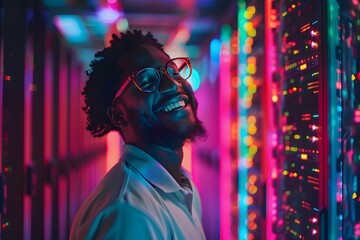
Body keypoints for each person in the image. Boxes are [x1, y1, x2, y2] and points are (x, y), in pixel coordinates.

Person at [69, 30, 207, 239]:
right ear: (118, 115)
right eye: (146, 81)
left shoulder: (183, 187)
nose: (172, 84)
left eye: (172, 70)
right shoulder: (129, 213)